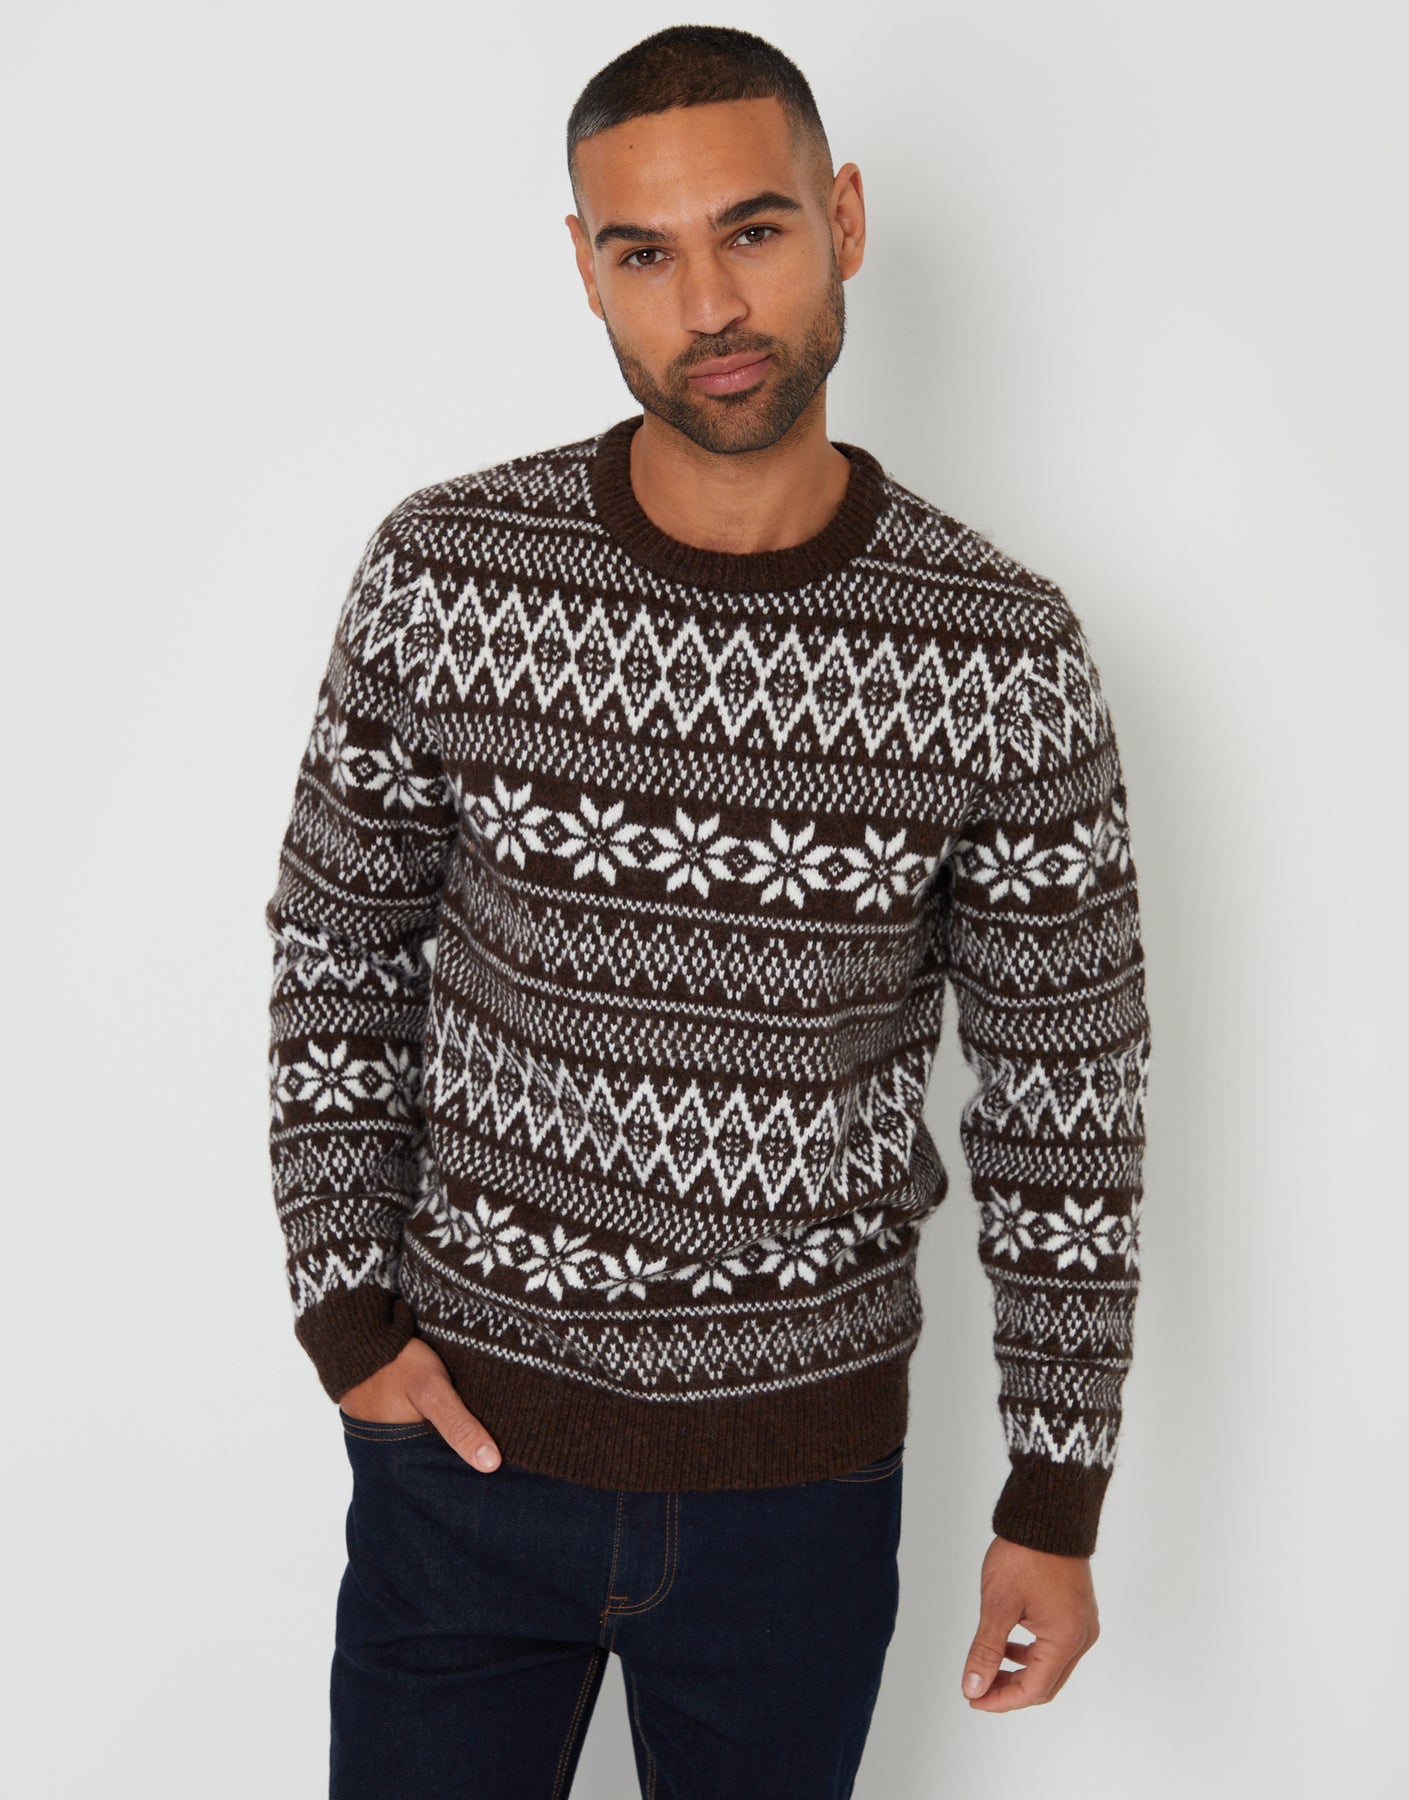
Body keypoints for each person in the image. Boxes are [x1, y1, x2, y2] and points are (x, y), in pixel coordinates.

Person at [264, 23, 1152, 1799]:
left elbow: (1068, 1091)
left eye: (751, 230)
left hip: (797, 1496)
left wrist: (1053, 1498)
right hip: (461, 1455)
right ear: (584, 267)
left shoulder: (1000, 651)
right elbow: (337, 951)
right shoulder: (450, 573)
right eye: (643, 253)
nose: (709, 304)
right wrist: (348, 1320)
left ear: (842, 218)